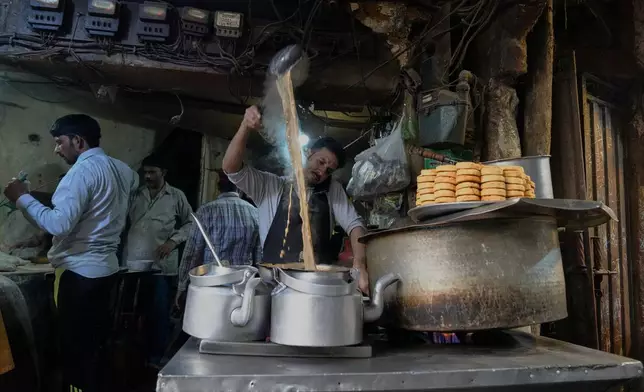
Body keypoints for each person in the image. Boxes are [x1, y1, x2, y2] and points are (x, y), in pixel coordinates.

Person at [3, 114, 138, 392]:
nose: (56, 149)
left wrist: (22, 197)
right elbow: (96, 211)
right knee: (96, 346)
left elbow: (58, 224)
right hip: (107, 270)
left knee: (76, 351)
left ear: (78, 141)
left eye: (59, 142)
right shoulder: (124, 171)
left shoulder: (80, 172)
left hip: (77, 275)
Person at [222, 105, 370, 293]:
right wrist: (245, 126)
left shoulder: (332, 190)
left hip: (316, 284)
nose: (322, 171)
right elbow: (231, 168)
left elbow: (355, 225)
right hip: (274, 284)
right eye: (321, 162)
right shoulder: (271, 186)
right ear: (309, 152)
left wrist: (359, 265)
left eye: (329, 170)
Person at [124, 154, 193, 366]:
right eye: (145, 172)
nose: (148, 176)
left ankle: (156, 359)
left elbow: (191, 223)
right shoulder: (135, 195)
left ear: (164, 173)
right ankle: (133, 358)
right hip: (133, 264)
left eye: (152, 172)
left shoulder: (176, 196)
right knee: (133, 313)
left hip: (160, 267)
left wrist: (173, 242)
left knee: (158, 315)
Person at [175, 170, 261, 307]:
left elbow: (191, 254)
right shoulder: (255, 213)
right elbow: (259, 258)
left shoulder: (205, 211)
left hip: (210, 287)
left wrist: (182, 286)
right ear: (240, 187)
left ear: (218, 187)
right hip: (241, 289)